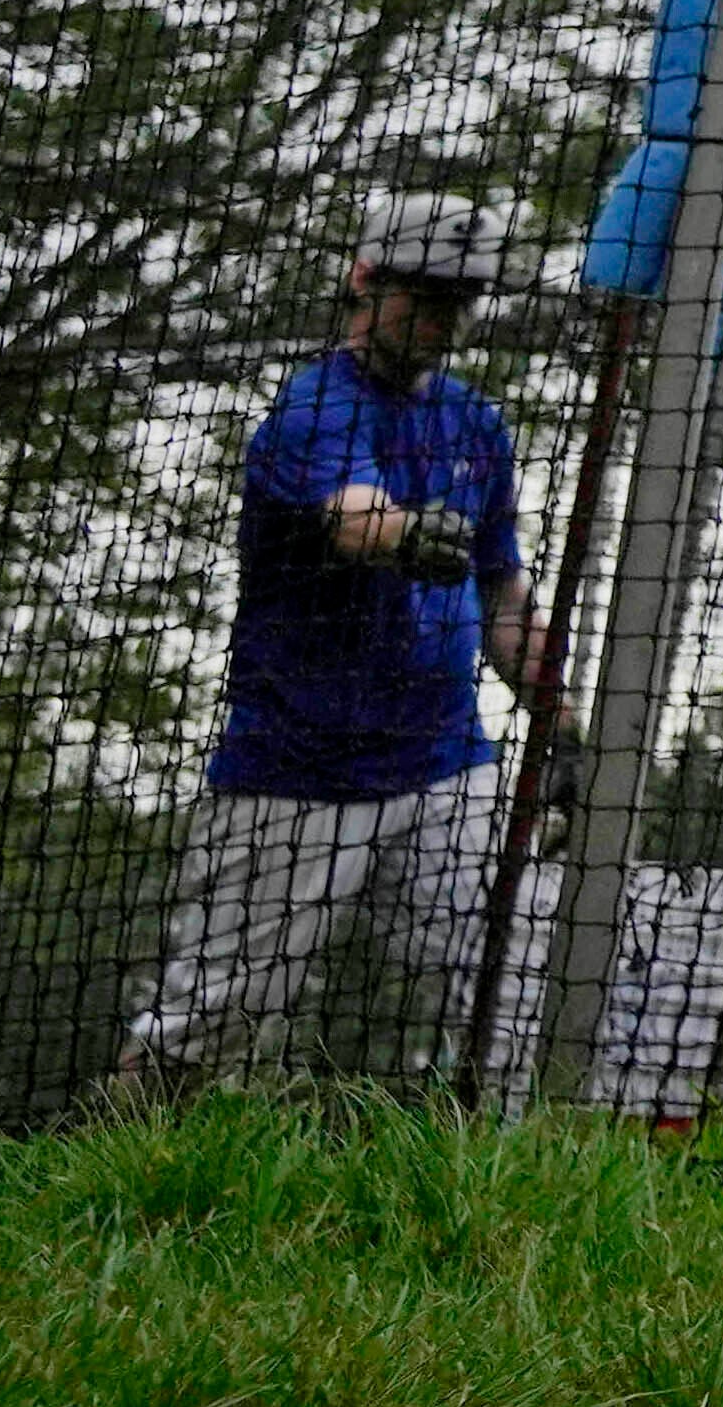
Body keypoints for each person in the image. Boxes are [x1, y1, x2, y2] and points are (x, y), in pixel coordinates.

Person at [115, 192, 572, 1088]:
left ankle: (486, 1181)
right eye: (425, 293)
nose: (442, 317)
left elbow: (503, 590)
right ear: (365, 278)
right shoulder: (314, 406)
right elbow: (354, 518)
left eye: (460, 299)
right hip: (300, 775)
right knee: (212, 1019)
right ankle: (114, 1175)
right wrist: (408, 534)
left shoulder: (476, 425)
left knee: (513, 964)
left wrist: (563, 721)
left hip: (444, 760)